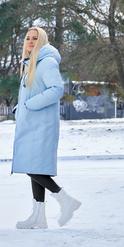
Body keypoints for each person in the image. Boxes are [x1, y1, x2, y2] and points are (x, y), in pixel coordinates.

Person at [11, 27, 81, 229]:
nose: (31, 41)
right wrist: (20, 108)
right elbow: (33, 92)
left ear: (42, 41)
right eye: (28, 38)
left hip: (41, 126)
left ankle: (66, 200)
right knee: (34, 167)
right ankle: (38, 217)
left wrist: (30, 105)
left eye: (35, 38)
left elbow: (56, 89)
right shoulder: (32, 63)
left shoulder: (47, 62)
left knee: (31, 167)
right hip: (32, 124)